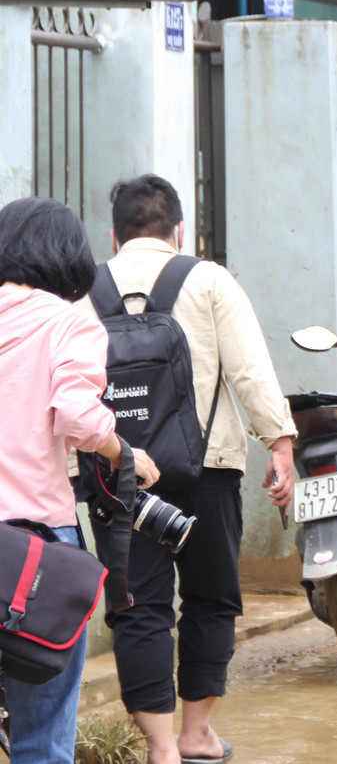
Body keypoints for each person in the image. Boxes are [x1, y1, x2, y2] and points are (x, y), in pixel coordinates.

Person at [81, 175, 298, 764]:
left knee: (138, 606)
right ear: (178, 231)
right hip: (207, 471)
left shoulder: (85, 288)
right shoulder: (207, 279)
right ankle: (197, 734)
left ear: (114, 235)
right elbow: (250, 370)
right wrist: (280, 442)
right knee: (209, 599)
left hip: (120, 476)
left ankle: (159, 749)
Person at [0, 197, 159, 764]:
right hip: (31, 548)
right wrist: (124, 451)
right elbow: (74, 413)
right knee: (41, 739)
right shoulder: (68, 321)